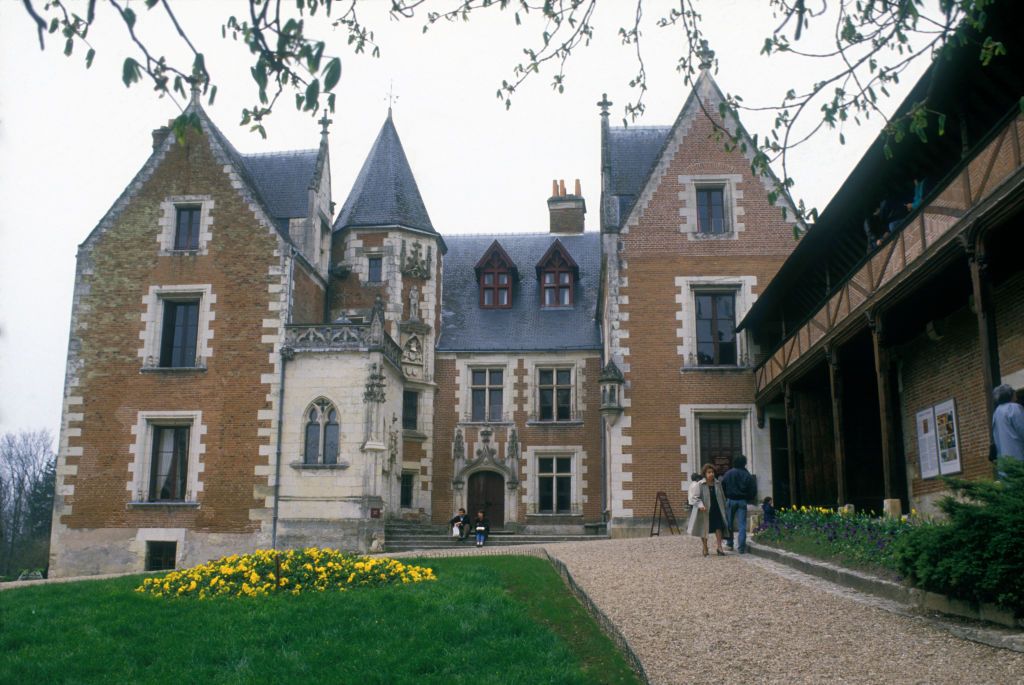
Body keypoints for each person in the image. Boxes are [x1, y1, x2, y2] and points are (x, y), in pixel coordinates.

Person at [686, 464, 730, 557]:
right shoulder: (700, 484)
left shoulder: (718, 483)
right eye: (709, 472)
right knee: (704, 528)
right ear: (705, 474)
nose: (711, 474)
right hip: (705, 510)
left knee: (719, 528)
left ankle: (719, 547)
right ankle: (705, 547)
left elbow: (722, 496)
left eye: (712, 472)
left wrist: (724, 507)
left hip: (716, 509)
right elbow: (695, 497)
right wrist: (700, 505)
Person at [722, 454, 757, 554]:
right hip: (742, 501)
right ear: (744, 463)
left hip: (730, 500)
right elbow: (753, 488)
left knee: (729, 523)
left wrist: (726, 497)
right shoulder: (747, 475)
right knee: (742, 524)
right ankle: (741, 547)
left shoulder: (728, 473)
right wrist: (749, 498)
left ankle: (729, 543)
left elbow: (722, 486)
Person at [992, 384, 1024, 468]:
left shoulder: (996, 413)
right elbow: (1022, 429)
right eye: (1014, 392)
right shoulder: (1014, 408)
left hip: (1004, 463)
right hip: (1019, 458)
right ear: (1010, 394)